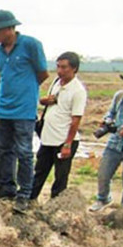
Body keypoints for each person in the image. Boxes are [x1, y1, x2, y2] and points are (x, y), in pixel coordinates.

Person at [0, 9, 49, 212]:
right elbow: (4, 76)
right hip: (3, 108)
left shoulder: (31, 45)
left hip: (24, 109)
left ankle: (24, 194)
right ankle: (7, 188)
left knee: (24, 152)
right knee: (3, 149)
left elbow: (42, 73)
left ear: (9, 29)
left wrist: (26, 92)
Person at [30, 52, 87, 200]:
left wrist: (67, 144)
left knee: (60, 178)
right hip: (48, 137)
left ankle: (55, 207)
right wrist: (45, 101)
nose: (60, 71)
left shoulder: (78, 91)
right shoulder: (56, 82)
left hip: (63, 140)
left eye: (64, 67)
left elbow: (76, 120)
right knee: (39, 172)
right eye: (58, 66)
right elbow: (46, 103)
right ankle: (29, 200)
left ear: (74, 69)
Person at [89, 64, 123, 212]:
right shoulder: (120, 96)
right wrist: (106, 121)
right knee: (103, 175)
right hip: (115, 143)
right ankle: (103, 199)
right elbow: (110, 113)